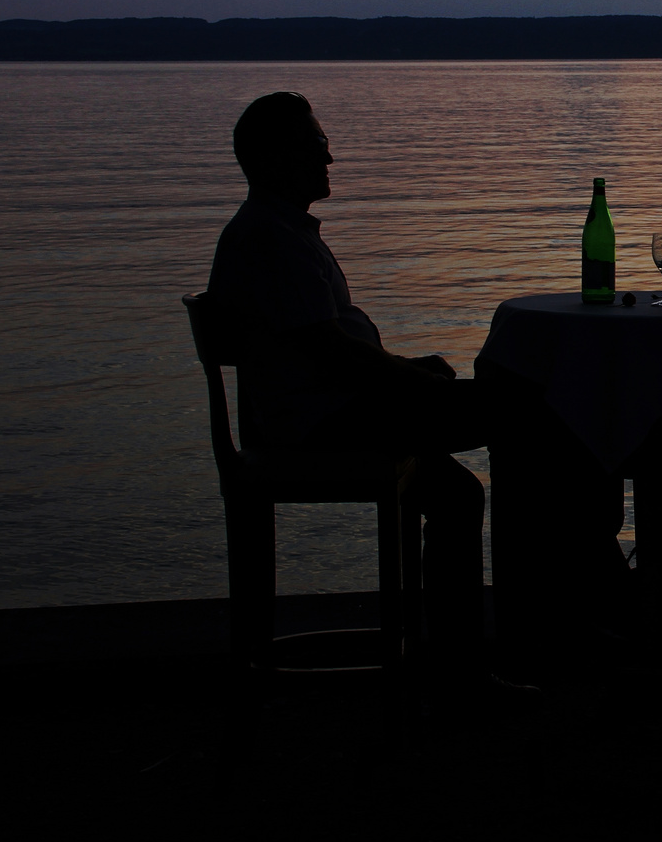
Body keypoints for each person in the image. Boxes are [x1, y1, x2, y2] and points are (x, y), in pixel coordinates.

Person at [206, 91, 529, 705]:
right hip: (328, 426)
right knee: (523, 410)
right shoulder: (270, 240)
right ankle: (551, 609)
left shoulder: (275, 231)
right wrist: (414, 380)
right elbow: (333, 353)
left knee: (458, 491)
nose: (330, 156)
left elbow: (329, 349)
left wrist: (408, 368)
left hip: (334, 412)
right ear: (275, 158)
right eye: (315, 145)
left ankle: (459, 662)